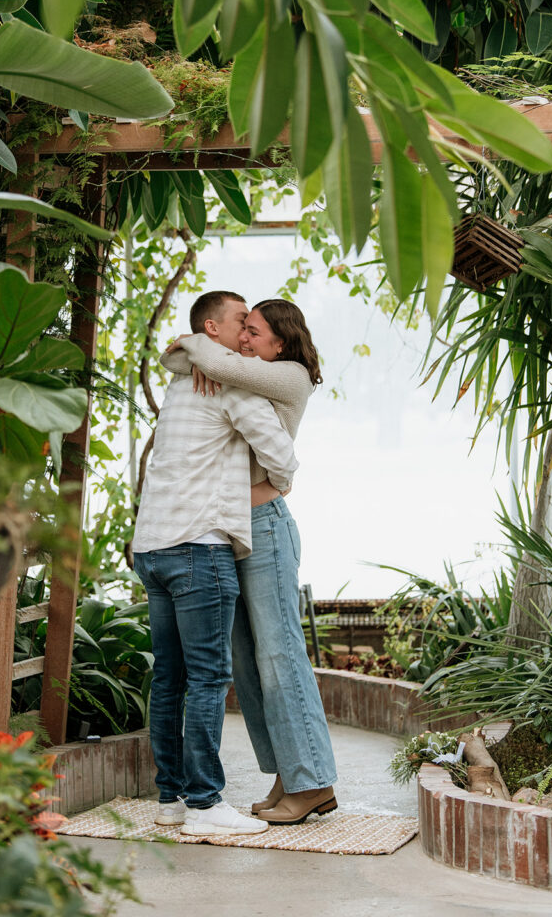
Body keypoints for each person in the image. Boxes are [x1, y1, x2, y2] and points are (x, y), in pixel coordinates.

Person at [162, 298, 338, 825]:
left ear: (280, 342)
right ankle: (290, 773)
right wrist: (204, 354)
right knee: (246, 659)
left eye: (253, 332)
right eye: (242, 331)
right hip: (230, 531)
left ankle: (313, 783)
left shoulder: (288, 377)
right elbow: (183, 363)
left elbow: (203, 360)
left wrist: (201, 347)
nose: (244, 340)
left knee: (280, 655)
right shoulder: (248, 378)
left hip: (266, 528)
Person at [132, 291, 300, 837]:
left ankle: (172, 799)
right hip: (199, 549)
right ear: (212, 329)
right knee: (208, 680)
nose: (245, 337)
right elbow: (283, 456)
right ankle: (206, 804)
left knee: (170, 678)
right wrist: (275, 485)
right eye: (239, 324)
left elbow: (177, 352)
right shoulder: (229, 384)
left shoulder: (184, 382)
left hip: (151, 547)